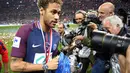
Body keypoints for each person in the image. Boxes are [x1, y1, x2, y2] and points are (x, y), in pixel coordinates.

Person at [10, 0, 63, 73]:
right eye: (53, 12)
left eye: (58, 13)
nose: (57, 17)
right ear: (42, 10)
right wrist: (45, 66)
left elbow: (53, 60)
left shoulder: (56, 35)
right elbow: (15, 65)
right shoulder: (25, 31)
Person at [88, 2, 115, 73]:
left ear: (111, 13)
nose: (99, 15)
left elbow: (105, 44)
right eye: (98, 12)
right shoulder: (102, 23)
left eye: (102, 13)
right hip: (100, 57)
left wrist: (96, 30)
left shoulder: (116, 26)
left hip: (106, 59)